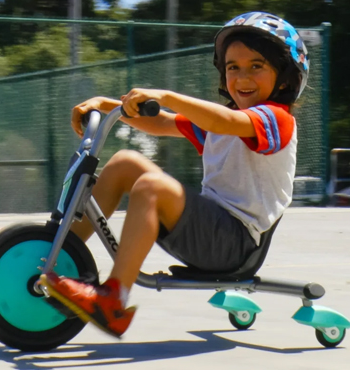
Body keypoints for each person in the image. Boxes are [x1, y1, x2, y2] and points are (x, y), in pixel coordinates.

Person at [41, 11, 310, 338]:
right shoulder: (222, 121)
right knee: (125, 161)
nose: (242, 77)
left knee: (152, 187)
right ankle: (53, 253)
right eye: (232, 67)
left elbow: (224, 122)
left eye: (257, 66)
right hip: (208, 232)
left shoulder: (277, 119)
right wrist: (108, 106)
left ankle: (114, 300)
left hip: (235, 245)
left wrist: (166, 96)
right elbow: (161, 121)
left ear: (284, 78)